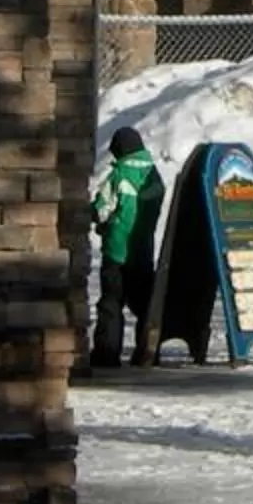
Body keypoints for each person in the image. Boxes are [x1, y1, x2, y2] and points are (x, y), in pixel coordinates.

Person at [88, 123, 165, 369]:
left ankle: (106, 355)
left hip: (117, 251)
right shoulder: (154, 176)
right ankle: (148, 352)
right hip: (142, 251)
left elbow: (102, 210)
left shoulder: (119, 176)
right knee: (144, 305)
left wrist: (96, 217)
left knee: (111, 303)